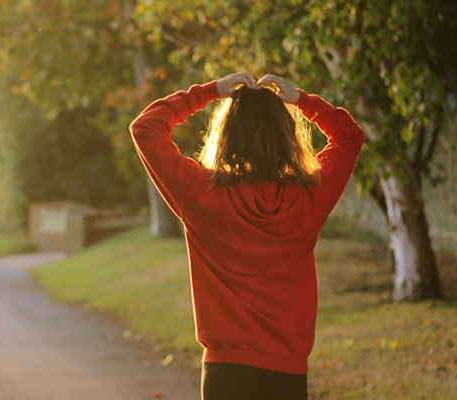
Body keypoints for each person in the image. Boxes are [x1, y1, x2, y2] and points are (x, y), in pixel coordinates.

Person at [129, 72, 365, 399]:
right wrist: (301, 101)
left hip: (225, 373)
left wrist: (209, 92)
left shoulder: (201, 195)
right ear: (287, 136)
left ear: (227, 136)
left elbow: (146, 128)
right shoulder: (308, 197)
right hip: (287, 373)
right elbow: (349, 136)